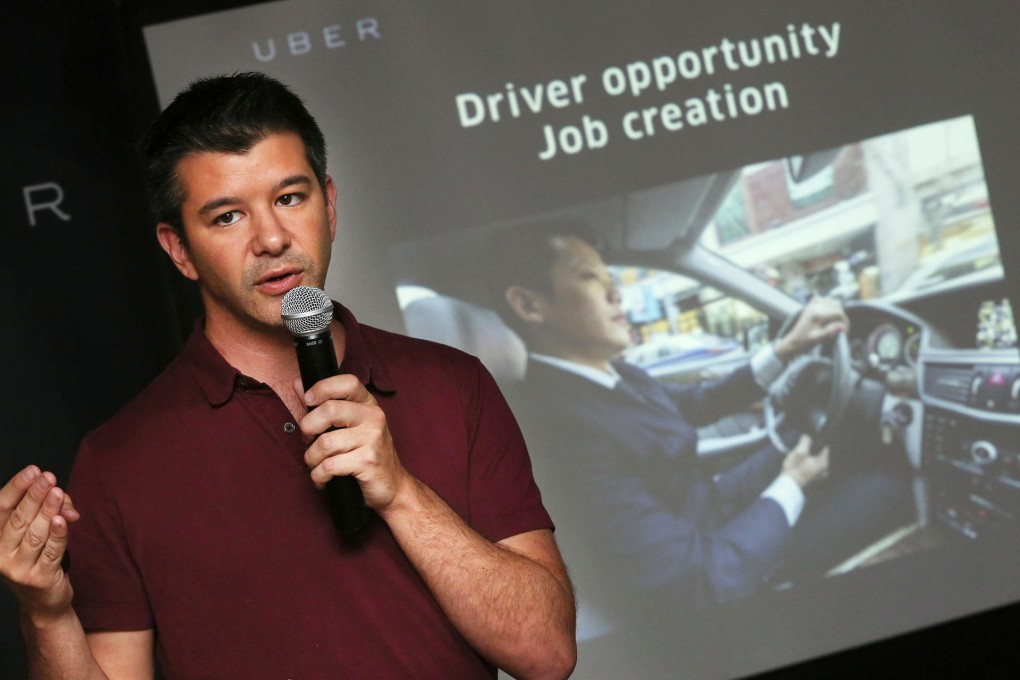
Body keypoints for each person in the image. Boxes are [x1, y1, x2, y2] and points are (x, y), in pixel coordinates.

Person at [0, 73, 576, 679]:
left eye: (290, 198)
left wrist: (401, 491)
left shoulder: (450, 384)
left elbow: (546, 655)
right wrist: (47, 614)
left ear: (329, 204)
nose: (271, 238)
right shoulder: (119, 461)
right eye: (227, 217)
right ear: (178, 250)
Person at [487, 220, 912, 619]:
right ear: (529, 304)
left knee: (816, 437)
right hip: (718, 561)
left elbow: (700, 402)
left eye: (612, 280)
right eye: (590, 278)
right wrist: (793, 483)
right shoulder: (559, 430)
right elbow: (700, 582)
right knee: (890, 487)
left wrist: (787, 348)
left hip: (708, 507)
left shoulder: (613, 373)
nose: (617, 295)